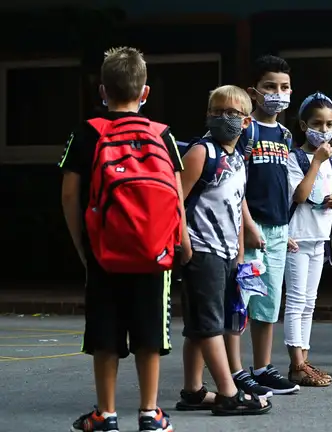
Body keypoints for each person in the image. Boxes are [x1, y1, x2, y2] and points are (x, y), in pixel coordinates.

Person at [60, 46, 180, 432]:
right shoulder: (163, 134)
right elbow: (177, 196)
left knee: (105, 335)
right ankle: (150, 414)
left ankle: (106, 414)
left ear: (102, 91)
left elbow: (69, 195)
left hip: (103, 252)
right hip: (155, 253)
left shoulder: (86, 133)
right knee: (150, 334)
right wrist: (180, 242)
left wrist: (83, 246)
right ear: (145, 92)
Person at [175, 85, 271, 415]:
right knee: (210, 325)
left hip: (227, 253)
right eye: (216, 111)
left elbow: (236, 204)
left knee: (199, 326)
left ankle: (193, 391)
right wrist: (185, 245)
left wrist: (240, 252)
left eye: (231, 113)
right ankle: (229, 393)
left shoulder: (237, 158)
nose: (222, 118)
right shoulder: (202, 153)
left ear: (246, 122)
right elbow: (176, 200)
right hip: (203, 250)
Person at [225, 55, 300, 395]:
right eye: (270, 87)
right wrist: (248, 226)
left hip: (278, 230)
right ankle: (236, 372)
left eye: (284, 87)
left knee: (268, 303)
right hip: (248, 230)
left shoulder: (285, 134)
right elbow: (234, 183)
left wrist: (285, 229)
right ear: (253, 92)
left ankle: (263, 367)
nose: (278, 93)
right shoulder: (246, 130)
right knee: (242, 301)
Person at [283, 92, 332, 386]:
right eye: (317, 124)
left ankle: (304, 360)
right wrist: (316, 162)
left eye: (329, 124)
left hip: (319, 238)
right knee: (296, 301)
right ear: (304, 125)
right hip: (297, 238)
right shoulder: (294, 158)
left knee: (310, 302)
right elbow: (300, 195)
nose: (324, 129)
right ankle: (296, 364)